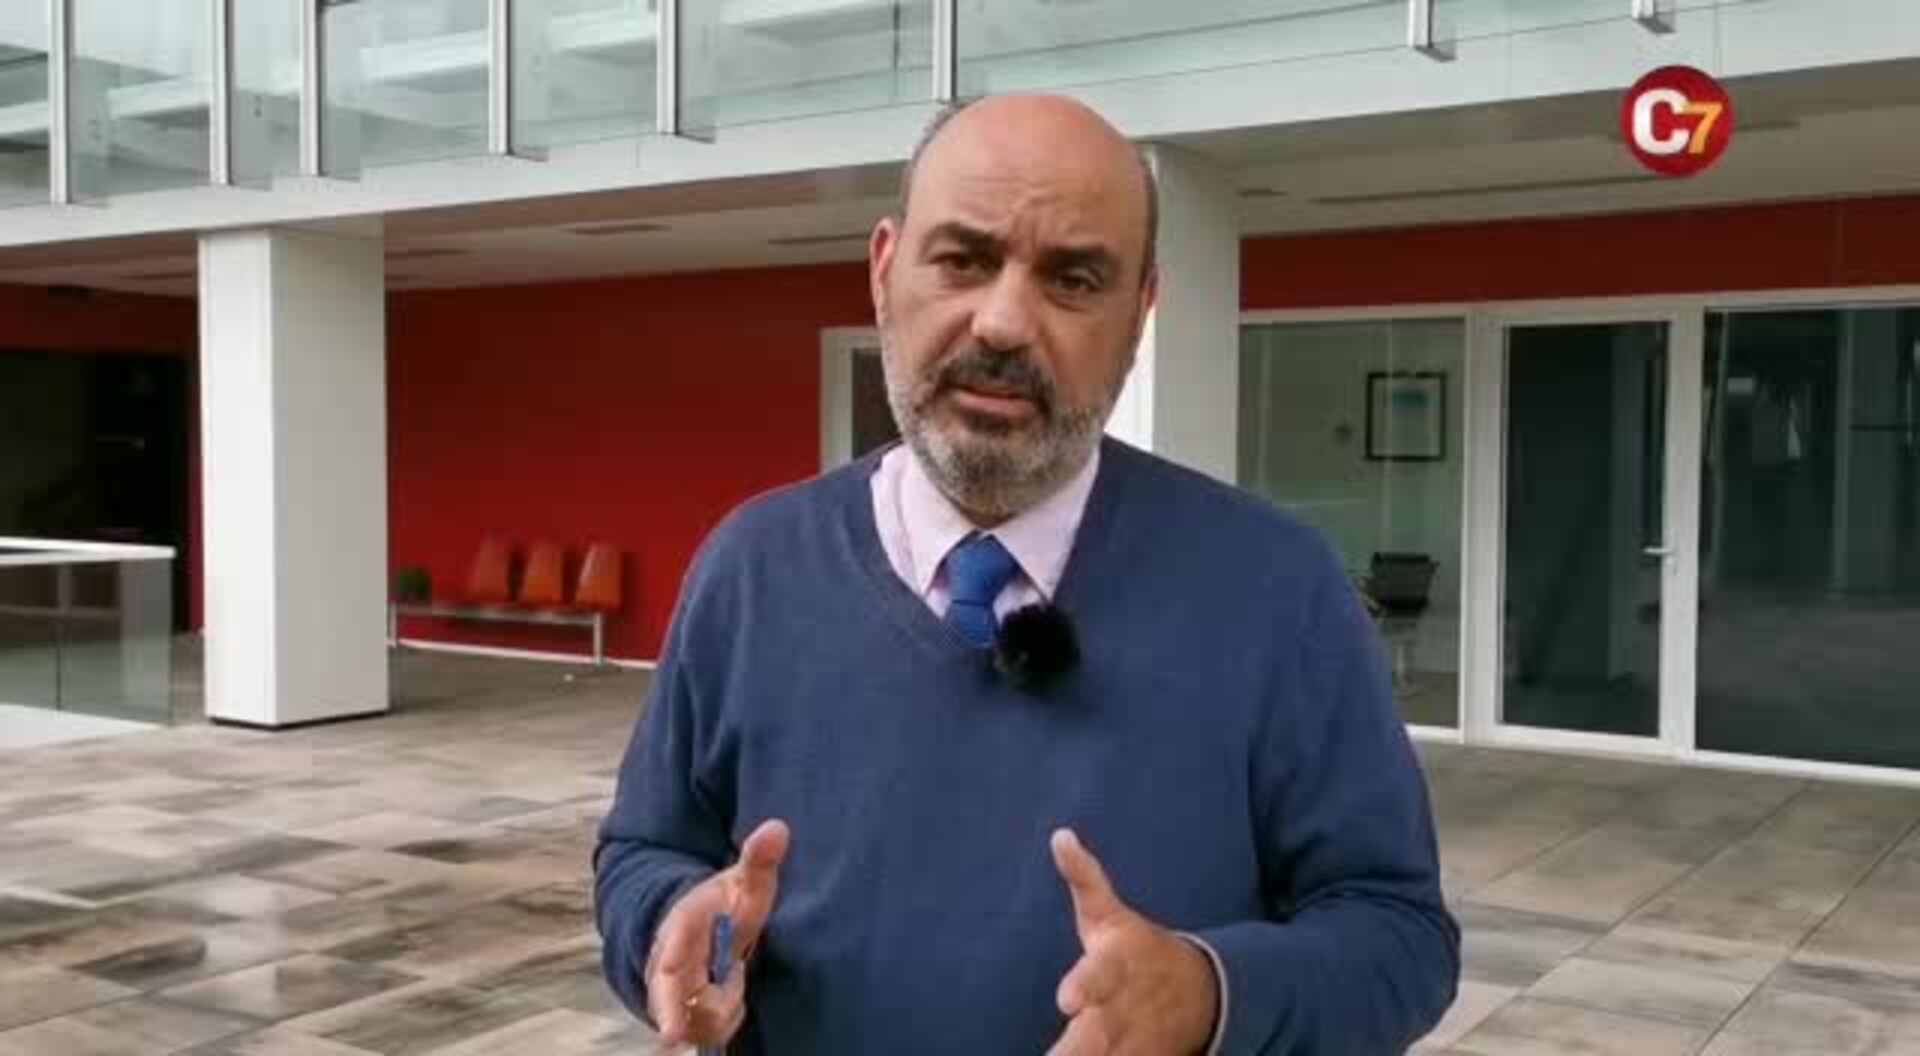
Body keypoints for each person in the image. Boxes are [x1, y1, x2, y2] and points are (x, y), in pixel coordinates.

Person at [594, 93, 1459, 1055]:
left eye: (1073, 278)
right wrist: (670, 927)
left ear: (1140, 313)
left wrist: (1210, 994)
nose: (1004, 323)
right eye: (963, 260)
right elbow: (644, 851)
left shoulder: (1276, 588)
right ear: (884, 270)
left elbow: (1400, 938)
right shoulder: (754, 566)